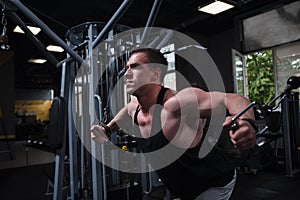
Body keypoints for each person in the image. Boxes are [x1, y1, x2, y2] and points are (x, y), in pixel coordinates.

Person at [91, 48, 257, 200]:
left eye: (135, 67)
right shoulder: (134, 105)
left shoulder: (177, 105)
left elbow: (231, 100)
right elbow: (126, 111)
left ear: (155, 74)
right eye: (127, 67)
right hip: (187, 190)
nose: (126, 74)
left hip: (214, 185)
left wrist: (246, 121)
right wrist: (108, 128)